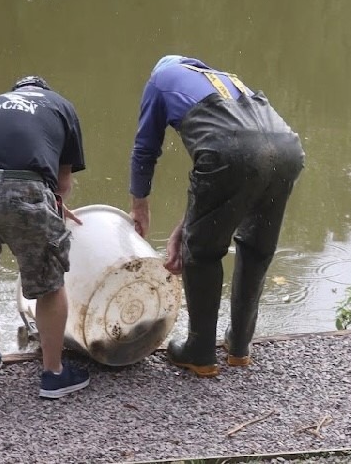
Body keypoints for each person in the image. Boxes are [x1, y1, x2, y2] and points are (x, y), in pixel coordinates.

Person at [129, 55, 305, 377]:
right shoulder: (227, 80)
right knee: (257, 247)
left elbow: (145, 148)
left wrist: (139, 205)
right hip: (287, 150)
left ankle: (200, 351)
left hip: (232, 150)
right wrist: (187, 225)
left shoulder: (160, 79)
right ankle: (239, 346)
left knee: (202, 253)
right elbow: (231, 166)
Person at [0, 75, 91, 399]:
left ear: (16, 92)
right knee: (49, 283)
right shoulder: (61, 107)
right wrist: (51, 206)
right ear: (44, 91)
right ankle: (54, 375)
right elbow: (62, 183)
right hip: (23, 186)